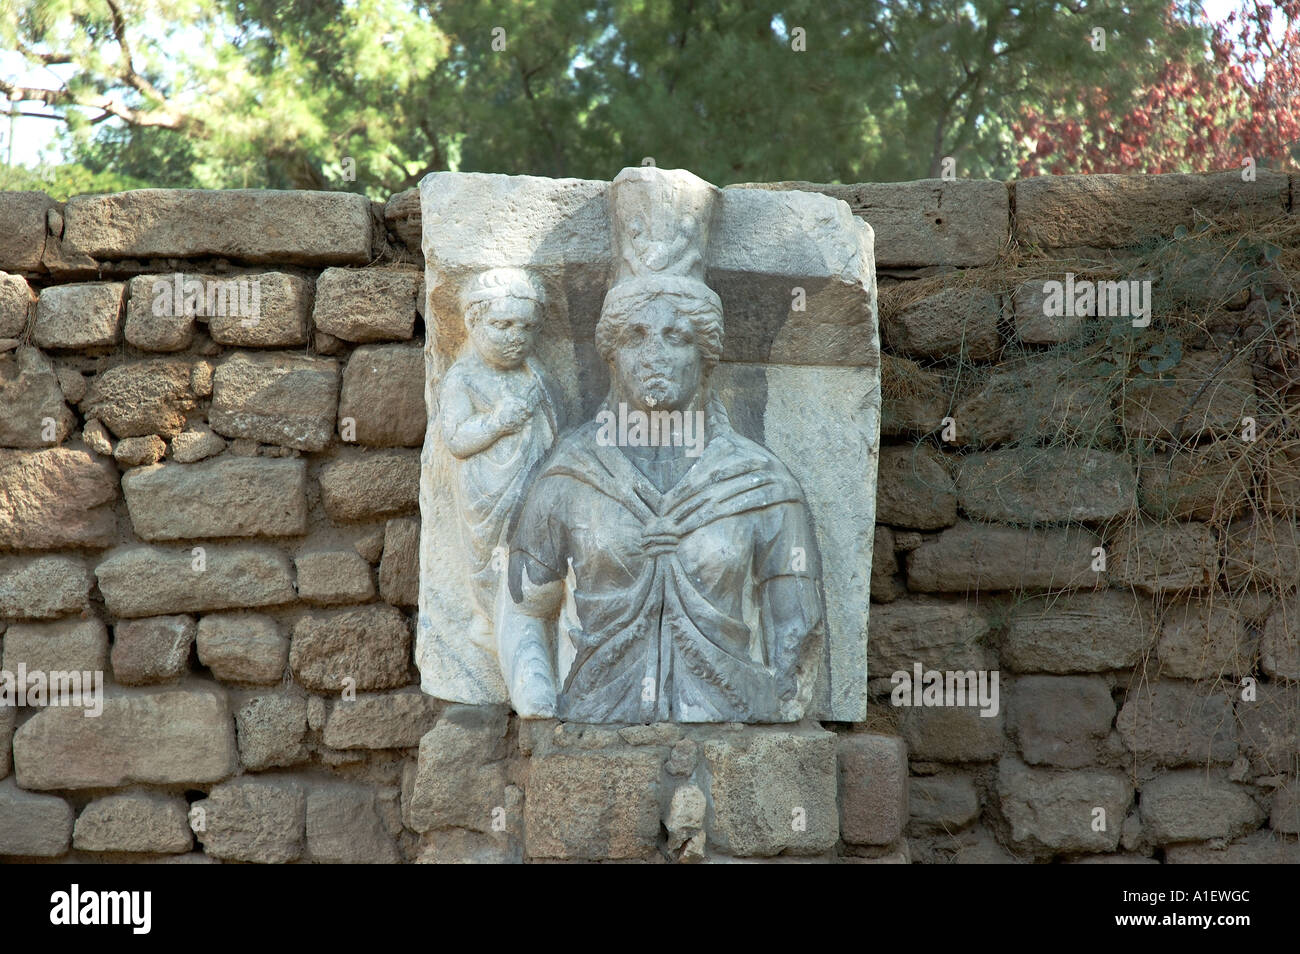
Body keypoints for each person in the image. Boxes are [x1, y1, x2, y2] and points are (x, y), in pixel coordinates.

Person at [439, 267, 558, 660]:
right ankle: (488, 619)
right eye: (502, 324)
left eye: (527, 327)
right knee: (488, 553)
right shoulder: (463, 377)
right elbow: (456, 439)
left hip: (535, 478)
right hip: (486, 489)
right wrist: (497, 421)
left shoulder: (534, 371)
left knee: (533, 549)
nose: (516, 337)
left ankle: (530, 614)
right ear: (473, 323)